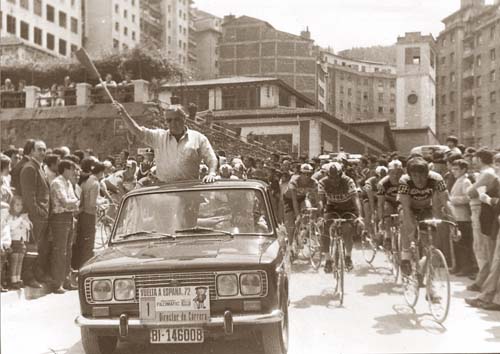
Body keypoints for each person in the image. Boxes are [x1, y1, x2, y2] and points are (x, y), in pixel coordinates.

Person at [113, 101, 218, 183]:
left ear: (184, 119)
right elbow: (138, 131)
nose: (173, 123)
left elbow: (211, 158)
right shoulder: (159, 137)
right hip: (165, 190)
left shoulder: (198, 138)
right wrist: (123, 114)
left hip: (188, 190)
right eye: (169, 120)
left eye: (176, 119)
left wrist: (211, 173)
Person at [398, 157, 453, 277]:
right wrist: (411, 232)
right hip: (410, 208)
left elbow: (446, 202)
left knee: (429, 244)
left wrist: (455, 223)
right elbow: (406, 209)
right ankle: (405, 256)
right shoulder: (404, 180)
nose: (419, 180)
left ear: (427, 174)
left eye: (422, 175)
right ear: (410, 175)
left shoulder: (436, 178)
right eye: (415, 176)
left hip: (426, 208)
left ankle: (425, 276)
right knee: (404, 221)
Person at [318, 162, 363, 272]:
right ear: (327, 176)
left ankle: (348, 257)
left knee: (347, 229)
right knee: (324, 227)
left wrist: (360, 216)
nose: (334, 181)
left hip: (348, 207)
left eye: (337, 177)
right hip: (332, 207)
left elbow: (356, 199)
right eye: (331, 178)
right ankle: (328, 259)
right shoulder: (322, 182)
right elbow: (321, 200)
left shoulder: (348, 181)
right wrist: (320, 216)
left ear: (341, 174)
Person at [466, 148, 499, 291]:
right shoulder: (489, 173)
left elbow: (471, 191)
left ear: (479, 159)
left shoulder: (487, 173)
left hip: (482, 210)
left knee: (482, 248)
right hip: (484, 210)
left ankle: (483, 282)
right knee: (484, 249)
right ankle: (483, 280)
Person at [20, 140, 50, 288]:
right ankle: (28, 277)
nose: (43, 153)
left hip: (43, 216)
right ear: (31, 151)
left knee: (37, 248)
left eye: (44, 150)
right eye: (39, 150)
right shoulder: (30, 168)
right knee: (31, 248)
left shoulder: (39, 167)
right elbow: (29, 196)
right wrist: (38, 213)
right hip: (35, 217)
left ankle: (36, 275)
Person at [49, 160, 79, 293]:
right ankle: (57, 283)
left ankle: (66, 280)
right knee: (60, 251)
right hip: (60, 219)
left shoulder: (68, 183)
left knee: (68, 251)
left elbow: (75, 201)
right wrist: (74, 202)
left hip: (69, 217)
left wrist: (73, 203)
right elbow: (66, 202)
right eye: (72, 169)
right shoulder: (57, 183)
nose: (74, 172)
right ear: (65, 169)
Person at [283, 163, 318, 254]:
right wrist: (298, 215)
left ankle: (302, 233)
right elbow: (294, 201)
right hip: (289, 200)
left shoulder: (313, 182)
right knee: (291, 224)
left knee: (308, 211)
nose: (307, 176)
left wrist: (318, 211)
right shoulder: (294, 181)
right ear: (300, 173)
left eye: (309, 174)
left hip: (302, 199)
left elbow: (317, 198)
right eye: (304, 174)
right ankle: (290, 246)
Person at [76, 162, 105, 268]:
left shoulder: (86, 181)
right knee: (89, 242)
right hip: (90, 215)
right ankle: (88, 264)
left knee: (83, 240)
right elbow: (93, 203)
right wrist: (103, 203)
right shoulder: (96, 183)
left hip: (82, 214)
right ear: (101, 172)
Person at [449, 159, 475, 276]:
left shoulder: (465, 181)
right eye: (453, 169)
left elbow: (468, 197)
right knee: (457, 243)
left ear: (464, 170)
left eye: (456, 169)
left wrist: (453, 200)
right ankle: (458, 266)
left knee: (463, 244)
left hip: (463, 217)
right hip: (456, 217)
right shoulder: (458, 180)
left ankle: (466, 267)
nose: (453, 171)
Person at [377, 160, 404, 250]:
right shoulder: (382, 183)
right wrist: (381, 219)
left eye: (398, 173)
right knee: (387, 211)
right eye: (393, 173)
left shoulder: (406, 181)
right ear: (388, 173)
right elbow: (380, 203)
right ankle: (388, 236)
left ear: (402, 172)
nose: (396, 175)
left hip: (402, 202)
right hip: (389, 202)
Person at [6, 196, 30, 289]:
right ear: (12, 205)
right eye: (17, 205)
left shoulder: (22, 217)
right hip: (14, 241)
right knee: (14, 260)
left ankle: (18, 279)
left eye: (21, 205)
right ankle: (13, 280)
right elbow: (11, 227)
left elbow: (29, 227)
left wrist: (24, 220)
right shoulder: (10, 217)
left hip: (21, 242)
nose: (19, 207)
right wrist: (21, 219)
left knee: (20, 260)